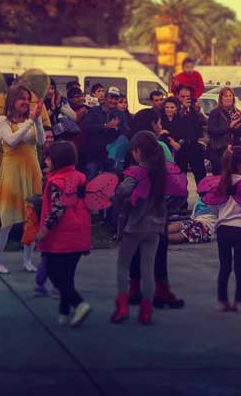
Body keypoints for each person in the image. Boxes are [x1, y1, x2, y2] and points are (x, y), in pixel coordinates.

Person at [124, 109, 184, 310]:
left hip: (135, 210)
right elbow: (171, 179)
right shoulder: (160, 148)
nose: (160, 127)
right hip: (158, 209)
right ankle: (161, 290)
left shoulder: (131, 147)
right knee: (159, 250)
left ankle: (134, 289)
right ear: (152, 124)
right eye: (158, 123)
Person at [110, 131, 167, 325]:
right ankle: (146, 310)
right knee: (148, 269)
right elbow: (177, 195)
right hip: (155, 227)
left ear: (137, 151)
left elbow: (123, 191)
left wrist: (119, 200)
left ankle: (123, 306)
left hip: (133, 226)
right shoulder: (162, 172)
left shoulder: (135, 173)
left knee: (122, 266)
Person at [34, 141, 93, 328]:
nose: (46, 160)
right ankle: (64, 312)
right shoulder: (80, 178)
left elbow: (57, 210)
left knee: (54, 274)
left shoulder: (56, 182)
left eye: (49, 157)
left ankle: (79, 304)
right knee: (67, 275)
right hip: (79, 234)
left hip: (61, 237)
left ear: (57, 160)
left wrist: (43, 231)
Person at [0, 86, 45, 274]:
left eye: (27, 99)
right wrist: (31, 121)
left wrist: (37, 120)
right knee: (6, 218)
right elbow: (12, 140)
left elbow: (41, 141)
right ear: (12, 100)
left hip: (32, 170)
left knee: (32, 217)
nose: (25, 102)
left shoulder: (29, 120)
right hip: (12, 172)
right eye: (21, 98)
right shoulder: (2, 120)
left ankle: (27, 260)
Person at [201, 146, 241, 312]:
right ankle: (239, 302)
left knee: (224, 266)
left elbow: (213, 207)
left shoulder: (220, 184)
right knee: (240, 266)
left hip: (223, 229)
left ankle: (222, 301)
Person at [80, 86, 127, 180]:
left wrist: (116, 128)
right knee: (91, 184)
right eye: (111, 98)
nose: (113, 101)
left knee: (111, 184)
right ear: (105, 97)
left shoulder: (120, 114)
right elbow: (85, 127)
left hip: (112, 158)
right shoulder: (94, 111)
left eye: (116, 98)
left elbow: (125, 130)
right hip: (94, 156)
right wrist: (105, 126)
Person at [207, 87, 241, 175]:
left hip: (234, 150)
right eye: (225, 96)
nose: (228, 98)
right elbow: (211, 131)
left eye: (230, 96)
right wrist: (229, 128)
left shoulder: (237, 113)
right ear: (221, 98)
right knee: (219, 178)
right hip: (219, 150)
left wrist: (237, 129)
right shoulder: (215, 113)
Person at [175, 86, 207, 184]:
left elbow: (202, 125)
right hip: (180, 147)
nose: (185, 99)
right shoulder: (173, 109)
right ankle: (181, 198)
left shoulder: (194, 110)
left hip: (194, 146)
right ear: (178, 97)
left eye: (187, 96)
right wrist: (183, 109)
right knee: (180, 176)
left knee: (200, 174)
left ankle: (203, 197)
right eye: (182, 96)